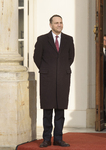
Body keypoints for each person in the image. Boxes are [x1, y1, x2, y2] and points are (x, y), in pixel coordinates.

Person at [33, 14, 75, 147]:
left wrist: (60, 70)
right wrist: (47, 69)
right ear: (50, 25)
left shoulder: (69, 39)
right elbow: (37, 58)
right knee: (47, 110)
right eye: (56, 23)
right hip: (47, 79)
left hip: (63, 78)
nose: (59, 25)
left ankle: (58, 139)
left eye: (61, 22)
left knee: (60, 110)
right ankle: (46, 139)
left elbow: (70, 58)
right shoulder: (42, 40)